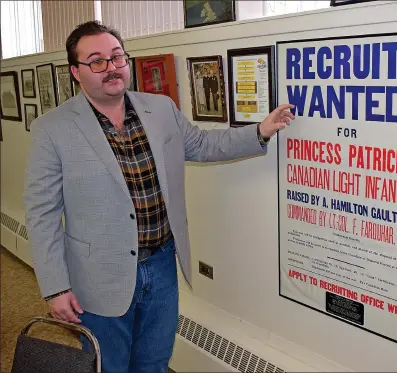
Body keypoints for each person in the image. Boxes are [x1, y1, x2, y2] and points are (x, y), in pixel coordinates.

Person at [23, 21, 294, 373]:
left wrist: (259, 131)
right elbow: (42, 213)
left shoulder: (160, 109)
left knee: (153, 361)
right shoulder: (53, 128)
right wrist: (55, 287)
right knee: (109, 364)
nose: (112, 68)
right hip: (99, 273)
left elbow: (201, 144)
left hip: (162, 264)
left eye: (117, 57)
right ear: (76, 71)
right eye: (97, 61)